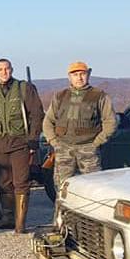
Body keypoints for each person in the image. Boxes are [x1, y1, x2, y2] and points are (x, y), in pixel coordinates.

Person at [0, 58, 44, 233]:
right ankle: (7, 218)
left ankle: (20, 223)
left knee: (21, 182)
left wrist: (33, 139)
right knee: (3, 183)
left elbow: (37, 114)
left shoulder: (23, 89)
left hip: (20, 143)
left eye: (6, 68)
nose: (4, 72)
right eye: (0, 69)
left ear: (12, 70)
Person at [42, 61, 117, 191]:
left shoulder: (99, 96)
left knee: (94, 186)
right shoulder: (60, 96)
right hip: (63, 148)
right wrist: (54, 141)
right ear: (69, 77)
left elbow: (110, 122)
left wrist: (96, 143)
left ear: (88, 75)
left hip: (88, 148)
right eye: (75, 74)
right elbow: (48, 121)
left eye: (82, 74)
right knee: (62, 187)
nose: (79, 78)